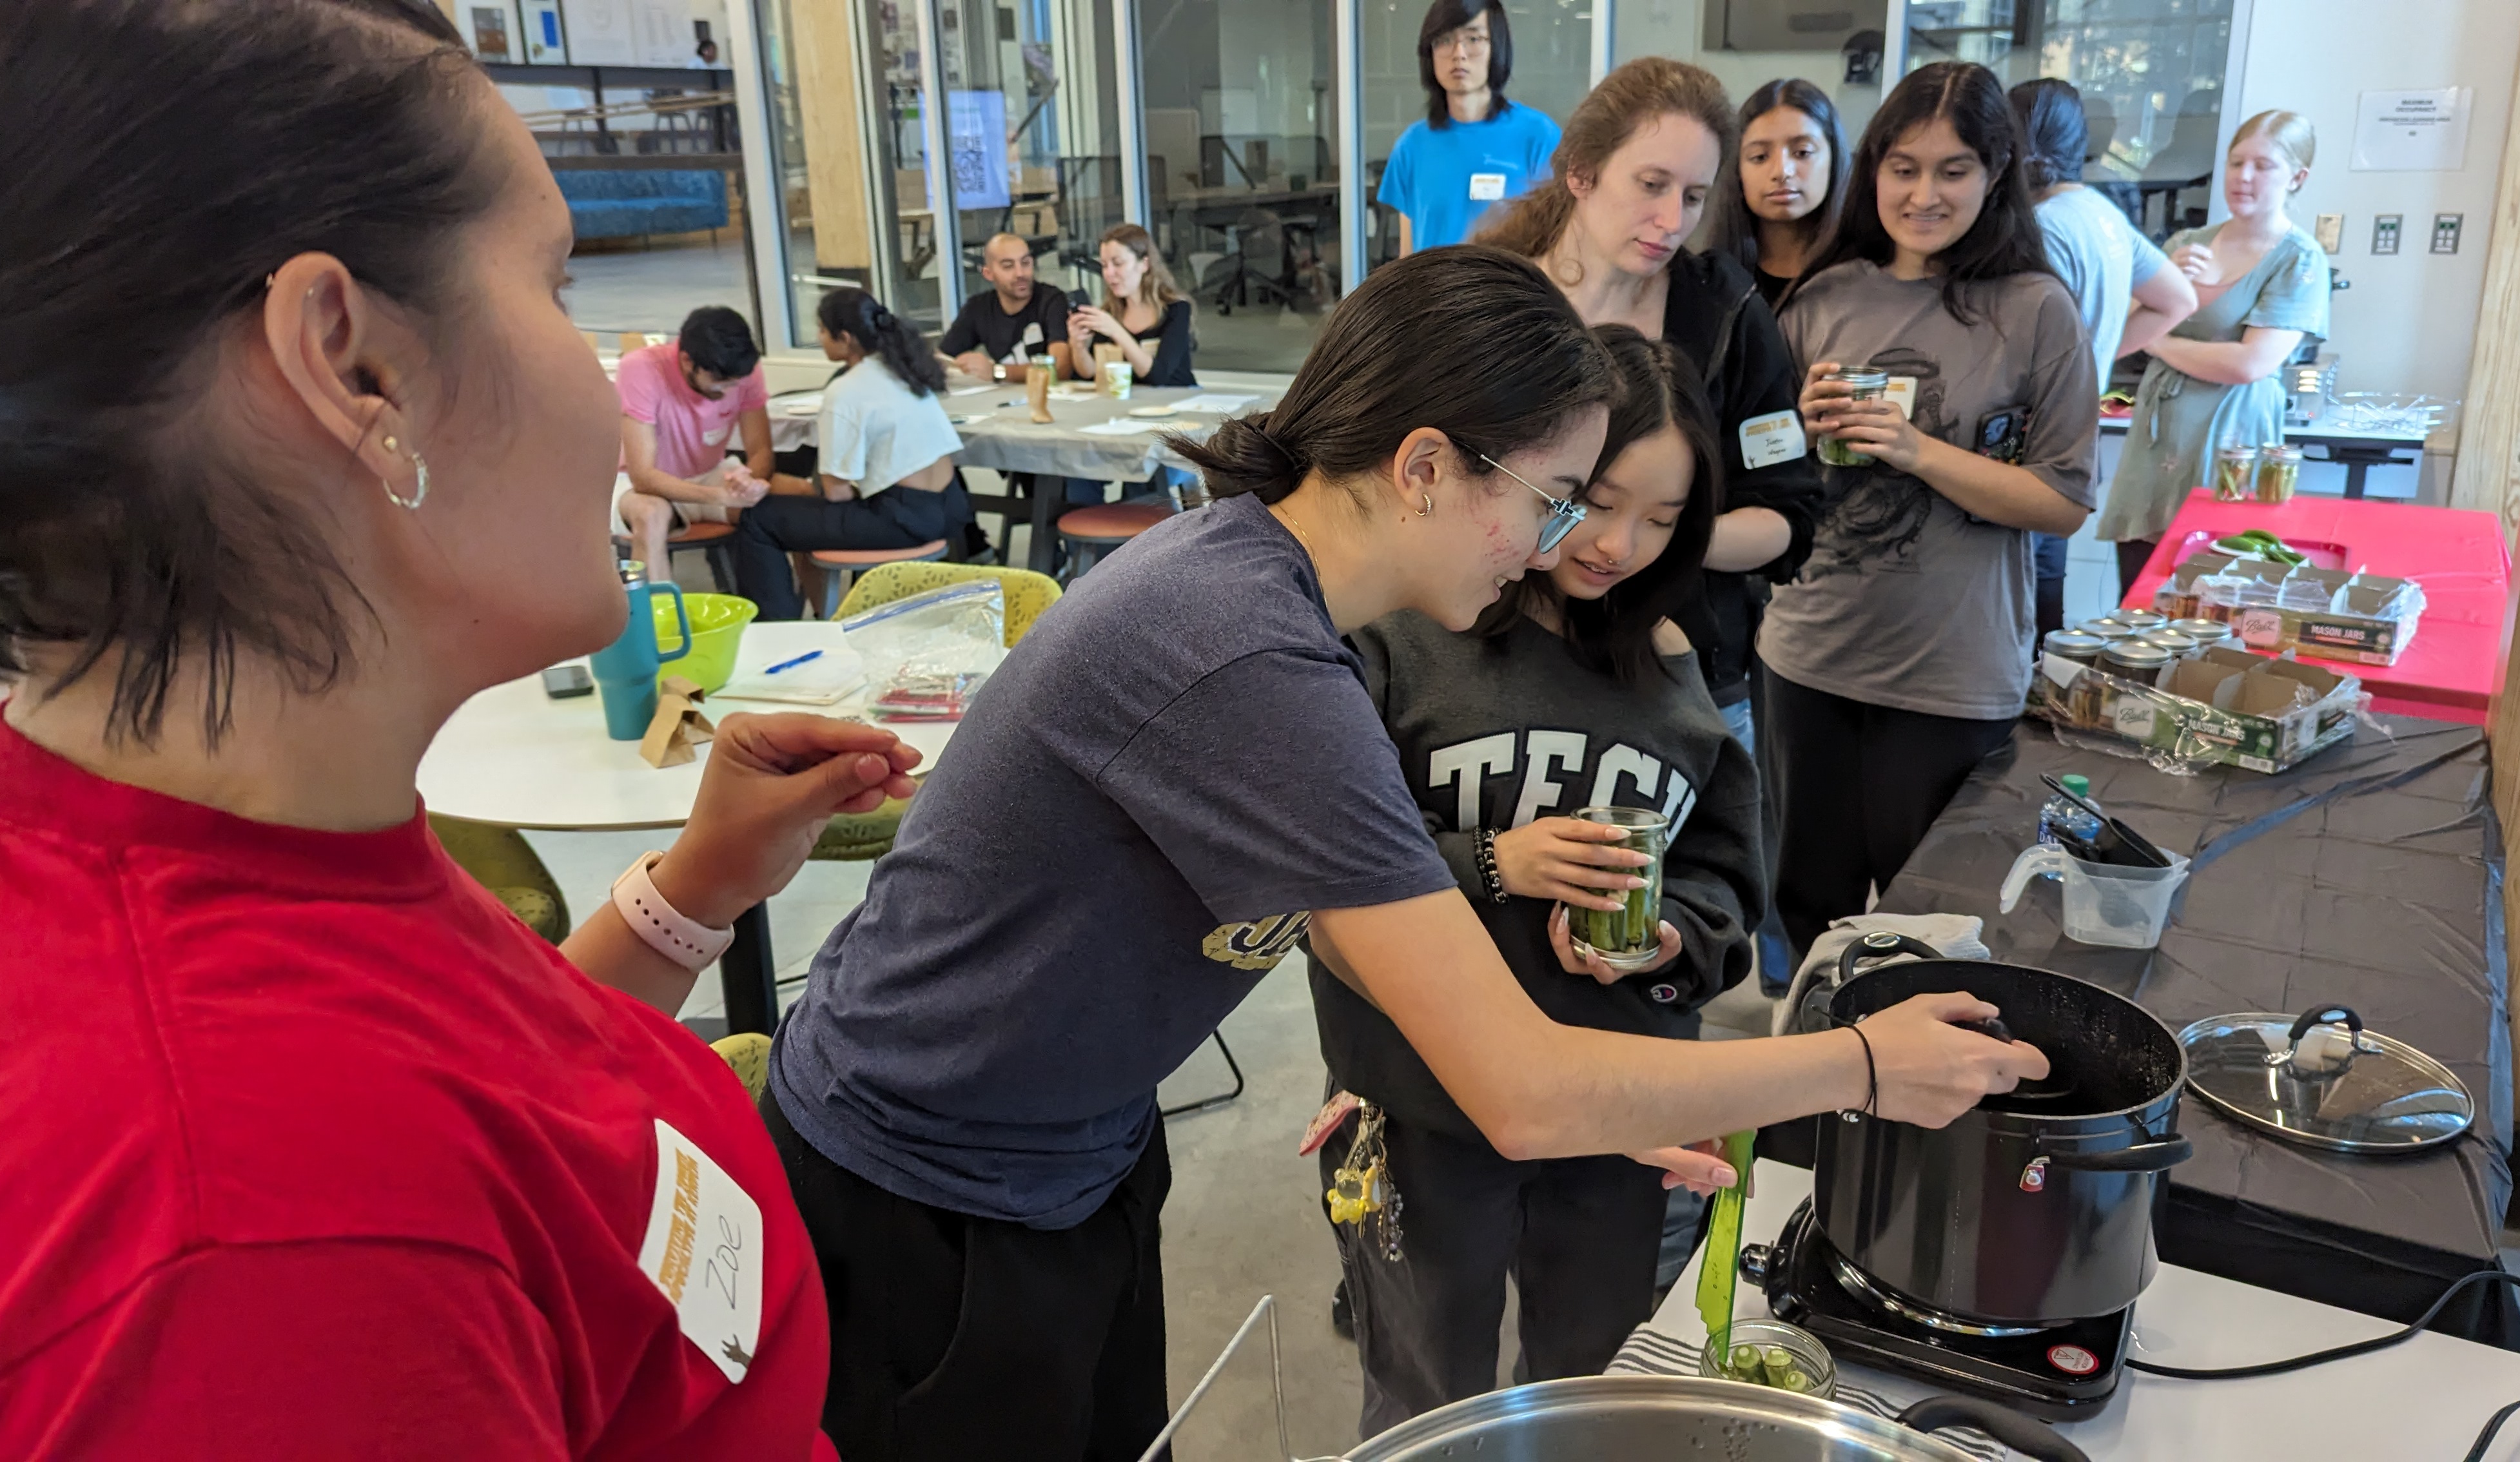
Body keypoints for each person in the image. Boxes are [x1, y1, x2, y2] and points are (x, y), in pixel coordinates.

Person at [762, 244, 2043, 1462]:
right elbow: (1524, 1090)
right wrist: (1868, 1066)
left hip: (1075, 1148)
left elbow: (1377, 935)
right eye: (1547, 501)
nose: (1553, 549)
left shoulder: (1267, 601)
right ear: (1425, 465)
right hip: (923, 1184)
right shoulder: (1250, 655)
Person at [0, 2, 929, 1456]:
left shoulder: (235, 847)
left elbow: (476, 1092)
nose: (600, 375)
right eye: (555, 282)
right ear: (352, 366)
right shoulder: (264, 1257)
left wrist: (693, 897)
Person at [1314, 328, 1762, 1436]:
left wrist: (1672, 939)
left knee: (1595, 1382)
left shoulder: (1663, 659)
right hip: (1422, 1107)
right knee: (1427, 1388)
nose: (1616, 542)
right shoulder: (1408, 634)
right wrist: (1491, 861)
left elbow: (1722, 878)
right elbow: (1315, 868)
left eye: (1661, 519)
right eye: (1593, 498)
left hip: (1617, 1102)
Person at [1476, 56, 1817, 1009]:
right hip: (1485, 661)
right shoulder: (1485, 300)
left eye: (1696, 196)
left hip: (1678, 665)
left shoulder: (1728, 314)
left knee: (1645, 935)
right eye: (1650, 185)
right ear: (1580, 172)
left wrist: (1653, 533)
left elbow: (1792, 519)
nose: (1671, 220)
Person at [1764, 61, 2098, 958]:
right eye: (1902, 167)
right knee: (1811, 926)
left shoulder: (2036, 311)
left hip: (1953, 675)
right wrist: (1794, 430)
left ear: (1997, 175)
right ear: (1872, 169)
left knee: (1936, 934)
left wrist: (1916, 450)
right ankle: (1811, 1094)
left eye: (1953, 169)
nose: (1923, 193)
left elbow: (2065, 500)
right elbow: (1756, 473)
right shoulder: (1822, 298)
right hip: (1810, 659)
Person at [2096, 110, 2329, 594]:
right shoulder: (2187, 243)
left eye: (2264, 166)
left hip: (2231, 437)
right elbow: (2117, 335)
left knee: (2213, 593)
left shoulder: (2300, 260)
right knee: (2139, 592)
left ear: (2297, 178)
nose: (2244, 177)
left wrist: (2160, 340)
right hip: (2158, 439)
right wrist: (2163, 283)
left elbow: (2251, 364)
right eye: (2236, 162)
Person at [2009, 77, 2197, 639]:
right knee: (2048, 572)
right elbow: (2177, 300)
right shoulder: (2103, 214)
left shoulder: (2037, 227)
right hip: (2075, 426)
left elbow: (2021, 346)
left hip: (2027, 430)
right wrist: (2095, 355)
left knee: (2017, 581)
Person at [730, 288, 970, 619]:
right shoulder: (905, 369)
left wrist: (787, 486)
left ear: (844, 339)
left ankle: (774, 629)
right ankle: (818, 615)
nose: (818, 337)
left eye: (822, 330)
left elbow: (838, 494)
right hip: (952, 506)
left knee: (759, 518)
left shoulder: (845, 391)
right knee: (795, 512)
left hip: (904, 518)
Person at [1378, 0, 1561, 255]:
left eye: (1473, 39)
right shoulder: (1411, 146)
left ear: (1497, 47)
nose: (1459, 54)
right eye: (1444, 41)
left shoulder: (1539, 136)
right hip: (1435, 294)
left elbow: (1557, 244)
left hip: (1509, 293)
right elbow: (1408, 253)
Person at [613, 304, 782, 581]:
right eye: (719, 382)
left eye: (735, 383)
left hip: (711, 475)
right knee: (651, 515)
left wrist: (752, 484)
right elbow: (643, 476)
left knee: (798, 494)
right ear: (687, 361)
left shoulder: (742, 369)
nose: (728, 390)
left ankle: (807, 614)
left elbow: (761, 450)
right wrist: (721, 497)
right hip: (642, 485)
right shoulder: (641, 368)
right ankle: (658, 619)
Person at [1714, 78, 1849, 308]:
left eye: (1802, 152)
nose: (1782, 172)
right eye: (1760, 157)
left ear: (1834, 158)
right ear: (1737, 170)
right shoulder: (1714, 279)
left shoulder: (1866, 276)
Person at [1068, 223, 1197, 389]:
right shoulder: (1111, 313)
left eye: (1118, 263)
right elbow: (1090, 374)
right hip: (1130, 407)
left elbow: (1159, 375)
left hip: (1178, 402)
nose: (1109, 273)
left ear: (1144, 264)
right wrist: (1077, 346)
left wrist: (1116, 331)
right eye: (1105, 265)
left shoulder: (1176, 309)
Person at [939, 231, 1078, 382]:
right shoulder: (978, 307)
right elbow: (942, 358)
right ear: (988, 274)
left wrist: (997, 372)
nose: (1020, 273)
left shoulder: (1052, 301)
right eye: (1008, 266)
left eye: (1025, 263)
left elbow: (1059, 368)